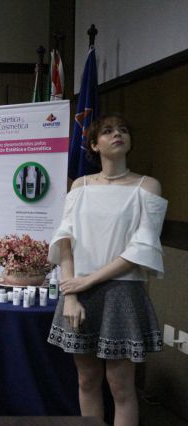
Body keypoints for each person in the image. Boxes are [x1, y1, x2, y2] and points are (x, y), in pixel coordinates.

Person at [47, 114, 166, 426]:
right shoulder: (80, 186)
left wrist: (87, 281)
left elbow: (141, 248)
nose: (117, 135)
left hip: (122, 292)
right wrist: (71, 294)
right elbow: (64, 240)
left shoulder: (147, 186)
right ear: (94, 144)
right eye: (109, 131)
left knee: (121, 386)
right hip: (78, 292)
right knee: (87, 379)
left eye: (123, 130)